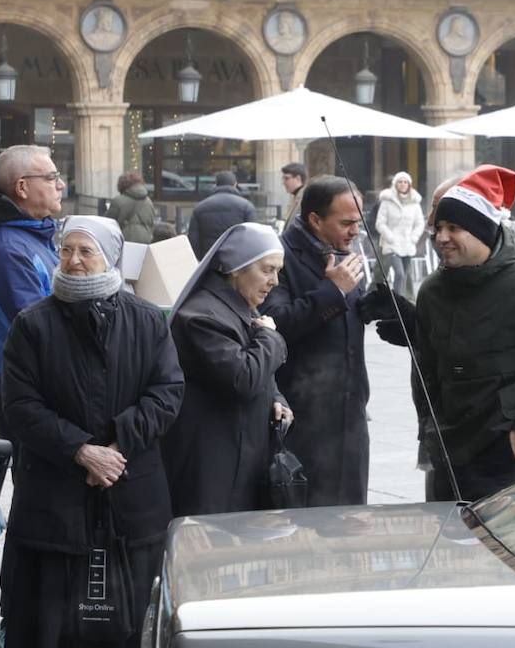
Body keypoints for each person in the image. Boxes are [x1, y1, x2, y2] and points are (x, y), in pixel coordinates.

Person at [0, 216, 183, 648]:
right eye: (67, 250)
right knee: (55, 592)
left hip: (131, 480)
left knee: (126, 592)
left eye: (87, 251)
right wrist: (80, 449)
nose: (74, 260)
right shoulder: (33, 324)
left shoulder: (146, 320)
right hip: (57, 483)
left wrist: (119, 442)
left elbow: (168, 392)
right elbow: (16, 406)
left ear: (111, 256)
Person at [414, 166, 515, 501]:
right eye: (438, 227)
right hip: (446, 449)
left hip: (504, 451)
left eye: (454, 227)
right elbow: (424, 371)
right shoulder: (431, 290)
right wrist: (429, 429)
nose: (441, 237)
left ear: (482, 230)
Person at [162, 223, 293, 517]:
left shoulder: (241, 305)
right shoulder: (200, 316)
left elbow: (262, 375)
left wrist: (277, 399)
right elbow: (242, 378)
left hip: (242, 457)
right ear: (236, 268)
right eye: (267, 270)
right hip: (211, 467)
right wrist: (272, 336)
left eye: (278, 271)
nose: (275, 281)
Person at [261, 175, 372, 507]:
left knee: (351, 517)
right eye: (347, 222)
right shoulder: (280, 256)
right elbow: (274, 322)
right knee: (307, 521)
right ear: (315, 220)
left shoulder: (345, 251)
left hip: (350, 411)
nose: (356, 230)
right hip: (304, 414)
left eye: (360, 221)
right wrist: (332, 291)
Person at [0, 145, 64, 445]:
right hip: (31, 394)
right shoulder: (7, 251)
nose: (61, 185)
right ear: (22, 187)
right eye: (51, 177)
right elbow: (41, 330)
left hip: (44, 389)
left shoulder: (31, 239)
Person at [376, 171, 426, 299]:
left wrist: (413, 238)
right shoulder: (387, 201)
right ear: (395, 184)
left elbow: (420, 223)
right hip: (391, 244)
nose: (403, 184)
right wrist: (390, 237)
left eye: (405, 182)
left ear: (409, 184)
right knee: (399, 274)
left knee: (406, 273)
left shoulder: (415, 202)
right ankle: (398, 302)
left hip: (408, 244)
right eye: (400, 181)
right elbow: (380, 223)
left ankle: (406, 299)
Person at [187, 170, 256, 259]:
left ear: (216, 184)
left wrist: (201, 260)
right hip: (237, 262)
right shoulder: (247, 206)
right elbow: (252, 237)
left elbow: (193, 240)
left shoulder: (200, 207)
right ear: (235, 184)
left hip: (210, 261)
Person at [103, 172, 156, 244]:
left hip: (126, 241)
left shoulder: (118, 201)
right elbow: (152, 222)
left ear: (121, 185)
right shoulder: (148, 201)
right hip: (146, 241)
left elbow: (107, 223)